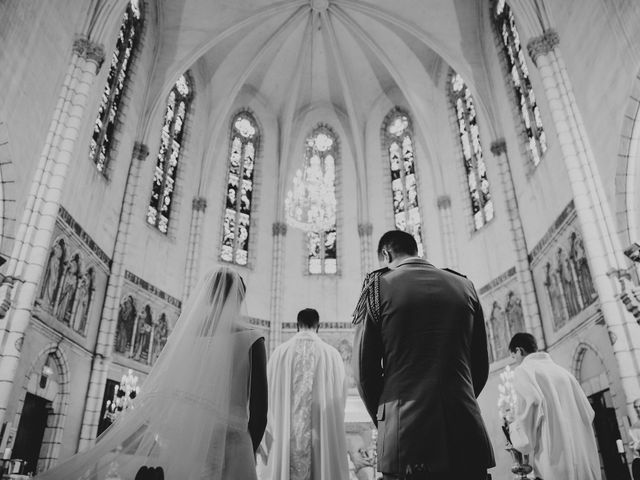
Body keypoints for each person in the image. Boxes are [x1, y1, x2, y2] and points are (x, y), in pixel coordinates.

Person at [36, 267, 268, 480]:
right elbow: (260, 412)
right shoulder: (252, 338)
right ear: (240, 298)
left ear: (207, 295)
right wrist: (248, 450)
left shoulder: (188, 338)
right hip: (236, 448)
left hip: (191, 451)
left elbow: (173, 401)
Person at [353, 230, 494, 480]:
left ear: (386, 254)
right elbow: (480, 365)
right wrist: (459, 401)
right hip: (466, 432)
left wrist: (389, 422)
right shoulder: (464, 285)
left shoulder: (377, 288)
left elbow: (365, 375)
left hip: (405, 438)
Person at [261, 308, 349, 480]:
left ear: (296, 325)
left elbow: (268, 395)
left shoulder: (279, 353)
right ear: (318, 326)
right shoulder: (332, 355)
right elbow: (339, 399)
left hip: (286, 436)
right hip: (320, 438)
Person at [507, 332, 600, 480]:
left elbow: (532, 406)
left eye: (514, 356)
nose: (516, 361)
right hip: (582, 457)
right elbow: (588, 413)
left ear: (519, 350)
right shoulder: (564, 373)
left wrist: (514, 429)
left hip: (555, 460)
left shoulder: (524, 371)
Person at [630, 399, 640, 480]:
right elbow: (634, 448)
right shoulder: (633, 428)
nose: (638, 409)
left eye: (639, 406)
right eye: (635, 407)